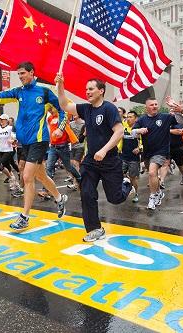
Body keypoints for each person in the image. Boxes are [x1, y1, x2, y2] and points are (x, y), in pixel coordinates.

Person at [0, 62, 68, 230]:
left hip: (39, 140)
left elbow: (64, 108)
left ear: (32, 72)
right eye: (19, 74)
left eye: (22, 73)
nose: (20, 77)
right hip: (25, 143)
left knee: (27, 177)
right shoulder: (18, 92)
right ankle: (59, 199)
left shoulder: (44, 92)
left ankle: (24, 217)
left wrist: (60, 128)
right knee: (41, 176)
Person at [56, 73, 132, 241]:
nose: (87, 92)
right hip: (90, 160)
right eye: (86, 89)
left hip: (110, 160)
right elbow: (64, 105)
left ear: (101, 91)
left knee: (115, 198)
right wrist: (60, 86)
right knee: (87, 193)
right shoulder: (86, 109)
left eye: (91, 89)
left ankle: (126, 184)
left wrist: (104, 150)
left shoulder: (109, 108)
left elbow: (119, 131)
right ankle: (95, 229)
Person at [133, 98, 183, 210]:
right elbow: (133, 133)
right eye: (151, 105)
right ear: (146, 107)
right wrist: (138, 131)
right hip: (147, 153)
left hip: (161, 151)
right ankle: (159, 192)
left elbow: (180, 121)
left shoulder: (165, 117)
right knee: (152, 175)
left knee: (152, 173)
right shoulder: (142, 119)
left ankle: (152, 197)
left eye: (156, 104)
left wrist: (176, 109)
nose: (154, 106)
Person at [45, 105, 82, 190]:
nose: (50, 110)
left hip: (63, 146)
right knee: (49, 167)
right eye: (48, 109)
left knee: (69, 167)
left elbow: (68, 113)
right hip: (53, 147)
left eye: (51, 108)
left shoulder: (63, 116)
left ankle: (80, 179)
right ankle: (46, 189)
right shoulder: (50, 118)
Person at [120, 110, 141, 203]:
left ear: (136, 119)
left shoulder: (139, 129)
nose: (128, 119)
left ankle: (136, 193)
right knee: (119, 174)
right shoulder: (123, 126)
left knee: (133, 177)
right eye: (127, 117)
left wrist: (139, 148)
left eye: (131, 117)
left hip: (134, 158)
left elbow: (143, 142)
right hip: (123, 155)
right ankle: (124, 189)